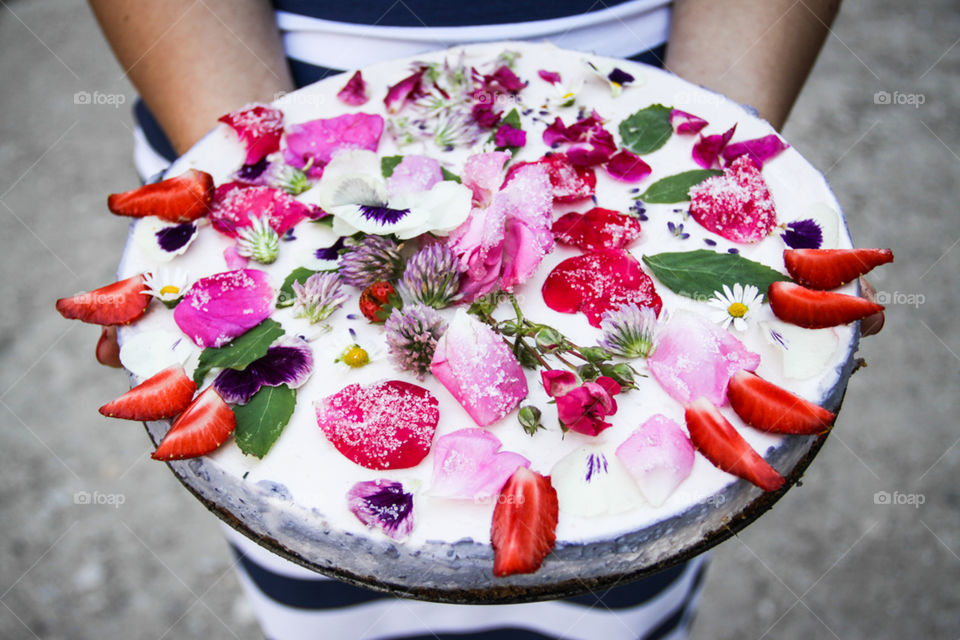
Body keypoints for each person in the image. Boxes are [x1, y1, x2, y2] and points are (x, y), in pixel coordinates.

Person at [88, 2, 871, 638]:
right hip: (250, 97)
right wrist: (249, 151)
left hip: (647, 81)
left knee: (621, 592)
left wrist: (719, 129)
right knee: (313, 570)